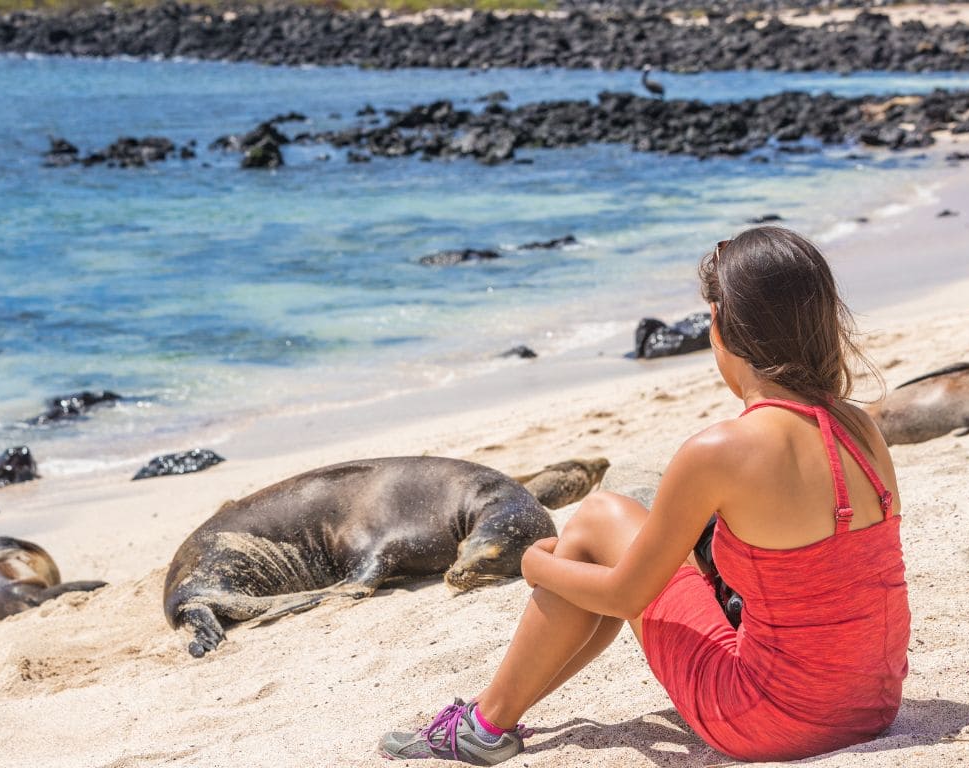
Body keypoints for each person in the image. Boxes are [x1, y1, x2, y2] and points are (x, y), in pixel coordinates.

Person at [378, 226, 910, 764]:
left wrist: (534, 565)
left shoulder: (721, 449)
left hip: (771, 723)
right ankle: (490, 719)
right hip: (871, 707)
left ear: (723, 329)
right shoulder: (859, 429)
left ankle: (486, 725)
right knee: (620, 529)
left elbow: (622, 597)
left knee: (596, 521)